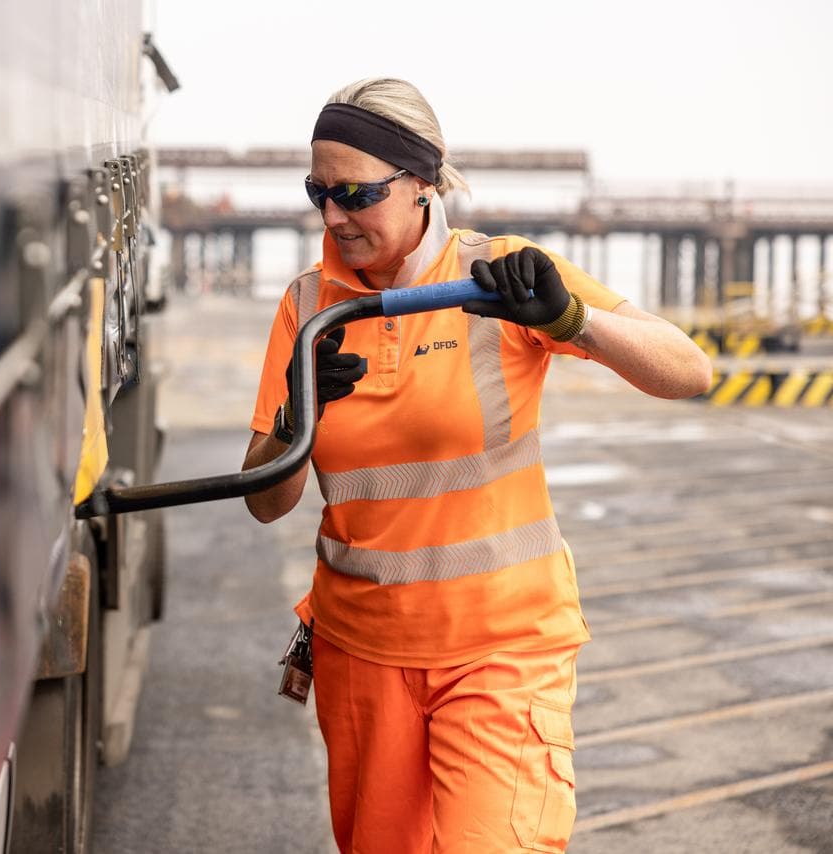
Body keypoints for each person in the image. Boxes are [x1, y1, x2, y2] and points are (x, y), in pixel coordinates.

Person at [242, 77, 711, 854]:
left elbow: (687, 371)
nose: (332, 214)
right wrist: (300, 415)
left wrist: (572, 320)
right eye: (318, 191)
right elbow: (265, 501)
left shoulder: (503, 277)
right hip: (363, 653)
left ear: (422, 181)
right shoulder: (307, 305)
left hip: (502, 649)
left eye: (355, 192)